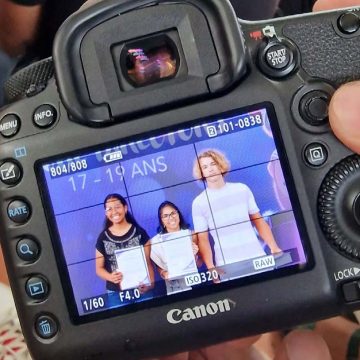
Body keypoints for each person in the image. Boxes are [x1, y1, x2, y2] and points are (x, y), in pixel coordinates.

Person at [192, 149, 282, 276]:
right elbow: (203, 239)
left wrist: (274, 246)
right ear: (201, 173)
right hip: (227, 265)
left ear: (220, 165)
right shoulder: (199, 202)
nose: (210, 169)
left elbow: (258, 221)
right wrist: (211, 267)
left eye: (213, 164)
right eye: (205, 167)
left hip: (257, 257)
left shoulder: (241, 189)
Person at [95, 193, 154, 303]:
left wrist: (150, 285)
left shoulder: (140, 232)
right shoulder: (102, 238)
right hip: (116, 294)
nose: (114, 212)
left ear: (125, 208)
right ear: (106, 213)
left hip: (141, 290)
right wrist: (110, 277)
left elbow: (148, 262)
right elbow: (99, 269)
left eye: (117, 207)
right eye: (109, 209)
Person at [150, 201, 200, 295]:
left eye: (173, 213)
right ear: (162, 221)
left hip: (192, 281)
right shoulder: (155, 243)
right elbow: (159, 268)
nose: (171, 217)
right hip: (173, 286)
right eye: (165, 216)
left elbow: (199, 264)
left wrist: (195, 256)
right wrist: (165, 274)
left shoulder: (191, 234)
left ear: (178, 214)